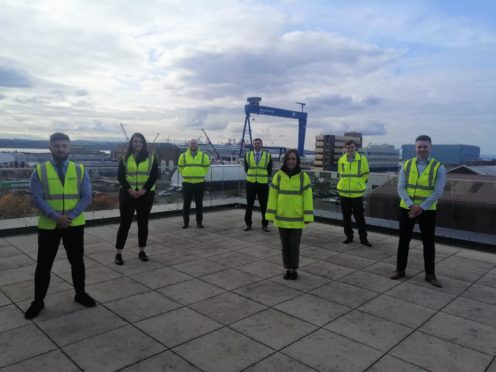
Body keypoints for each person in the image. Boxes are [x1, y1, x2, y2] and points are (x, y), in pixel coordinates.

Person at [25, 132, 95, 319]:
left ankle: (80, 294)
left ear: (69, 148)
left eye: (64, 146)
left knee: (77, 262)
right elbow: (37, 198)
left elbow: (87, 195)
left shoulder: (80, 170)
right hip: (49, 225)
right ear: (50, 148)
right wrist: (56, 217)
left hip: (74, 224)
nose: (61, 149)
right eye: (57, 146)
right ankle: (38, 301)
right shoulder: (39, 171)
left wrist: (69, 217)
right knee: (44, 265)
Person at [390, 135, 446, 288]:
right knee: (403, 240)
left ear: (430, 147)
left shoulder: (438, 167)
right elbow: (401, 187)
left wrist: (421, 207)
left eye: (425, 146)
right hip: (407, 208)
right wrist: (411, 205)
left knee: (428, 243)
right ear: (415, 148)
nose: (422, 149)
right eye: (419, 146)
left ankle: (430, 274)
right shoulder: (406, 165)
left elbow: (438, 191)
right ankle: (400, 270)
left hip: (427, 210)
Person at [266, 149, 313, 280]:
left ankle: (294, 269)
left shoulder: (304, 177)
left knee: (294, 245)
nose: (291, 161)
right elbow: (272, 196)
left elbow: (308, 198)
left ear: (297, 160)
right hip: (282, 217)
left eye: (293, 159)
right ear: (285, 160)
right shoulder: (279, 176)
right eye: (289, 159)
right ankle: (287, 269)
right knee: (285, 246)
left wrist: (308, 216)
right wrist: (270, 215)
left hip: (297, 219)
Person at [115, 133, 158, 265]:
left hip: (145, 195)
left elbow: (154, 175)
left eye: (140, 141)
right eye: (135, 141)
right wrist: (130, 190)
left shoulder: (151, 158)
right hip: (128, 194)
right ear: (131, 143)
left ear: (143, 143)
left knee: (143, 224)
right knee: (125, 224)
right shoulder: (125, 157)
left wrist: (144, 190)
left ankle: (142, 251)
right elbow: (121, 176)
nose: (137, 144)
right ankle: (118, 253)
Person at [337, 140, 372, 247]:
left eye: (351, 147)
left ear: (355, 148)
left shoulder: (362, 159)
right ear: (345, 149)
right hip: (344, 193)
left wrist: (359, 184)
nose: (350, 149)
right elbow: (340, 174)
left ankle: (363, 238)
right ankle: (349, 236)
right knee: (346, 217)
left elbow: (366, 174)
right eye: (347, 148)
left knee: (359, 217)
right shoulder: (341, 160)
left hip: (357, 194)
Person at [178, 138, 210, 228]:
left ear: (197, 145)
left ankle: (199, 222)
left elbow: (207, 167)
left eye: (194, 143)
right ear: (189, 144)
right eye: (191, 143)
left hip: (199, 182)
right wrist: (184, 173)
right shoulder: (183, 156)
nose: (193, 145)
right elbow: (180, 167)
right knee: (186, 203)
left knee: (199, 204)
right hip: (187, 182)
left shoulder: (204, 156)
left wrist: (202, 173)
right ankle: (185, 222)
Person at [244, 138, 272, 232]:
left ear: (262, 144)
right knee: (249, 205)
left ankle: (265, 225)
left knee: (264, 205)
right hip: (251, 183)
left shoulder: (267, 155)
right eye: (255, 143)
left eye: (259, 143)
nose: (257, 145)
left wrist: (263, 176)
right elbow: (246, 168)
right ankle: (248, 224)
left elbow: (269, 169)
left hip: (262, 183)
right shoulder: (248, 154)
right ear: (253, 145)